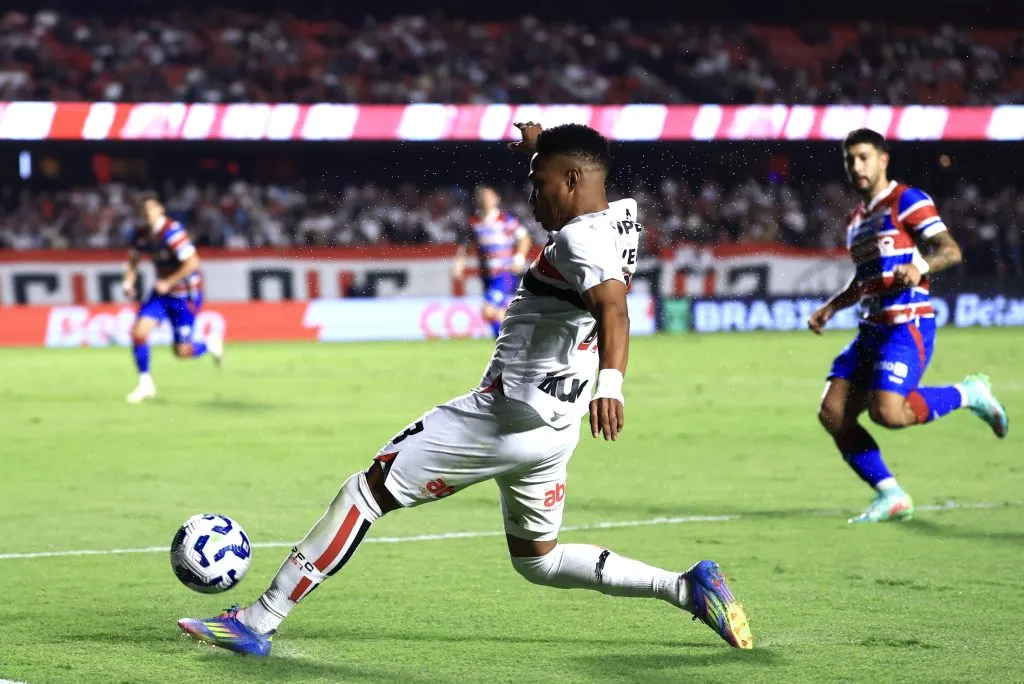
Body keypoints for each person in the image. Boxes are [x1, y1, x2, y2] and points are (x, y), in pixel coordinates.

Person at [178, 122, 753, 655]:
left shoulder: (580, 241)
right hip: (556, 428)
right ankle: (687, 588)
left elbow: (614, 310)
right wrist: (541, 147)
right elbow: (587, 206)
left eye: (540, 183)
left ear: (572, 180)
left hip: (506, 416)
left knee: (365, 492)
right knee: (539, 560)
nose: (532, 196)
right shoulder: (621, 219)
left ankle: (257, 621)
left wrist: (613, 384)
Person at [808, 128, 1009, 523]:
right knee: (832, 412)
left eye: (864, 157)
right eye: (850, 160)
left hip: (906, 325)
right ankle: (892, 495)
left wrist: (920, 268)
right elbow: (865, 278)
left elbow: (950, 251)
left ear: (883, 159)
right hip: (870, 330)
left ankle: (969, 393)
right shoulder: (855, 220)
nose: (856, 166)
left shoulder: (907, 201)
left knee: (888, 413)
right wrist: (831, 307)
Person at [122, 193, 222, 403]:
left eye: (150, 209)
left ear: (161, 209)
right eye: (143, 211)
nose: (147, 214)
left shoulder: (172, 232)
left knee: (182, 352)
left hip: (185, 296)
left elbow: (193, 262)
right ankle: (145, 383)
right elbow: (133, 260)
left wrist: (169, 282)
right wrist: (128, 282)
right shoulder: (140, 235)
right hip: (161, 295)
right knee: (138, 332)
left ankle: (210, 344)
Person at [453, 184, 532, 337]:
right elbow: (466, 245)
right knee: (499, 313)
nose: (486, 200)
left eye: (489, 197)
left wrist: (519, 258)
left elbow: (525, 238)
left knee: (488, 311)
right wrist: (459, 264)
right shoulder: (473, 222)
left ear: (497, 199)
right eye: (483, 197)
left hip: (504, 274)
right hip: (487, 276)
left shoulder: (505, 219)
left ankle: (511, 341)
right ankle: (510, 342)